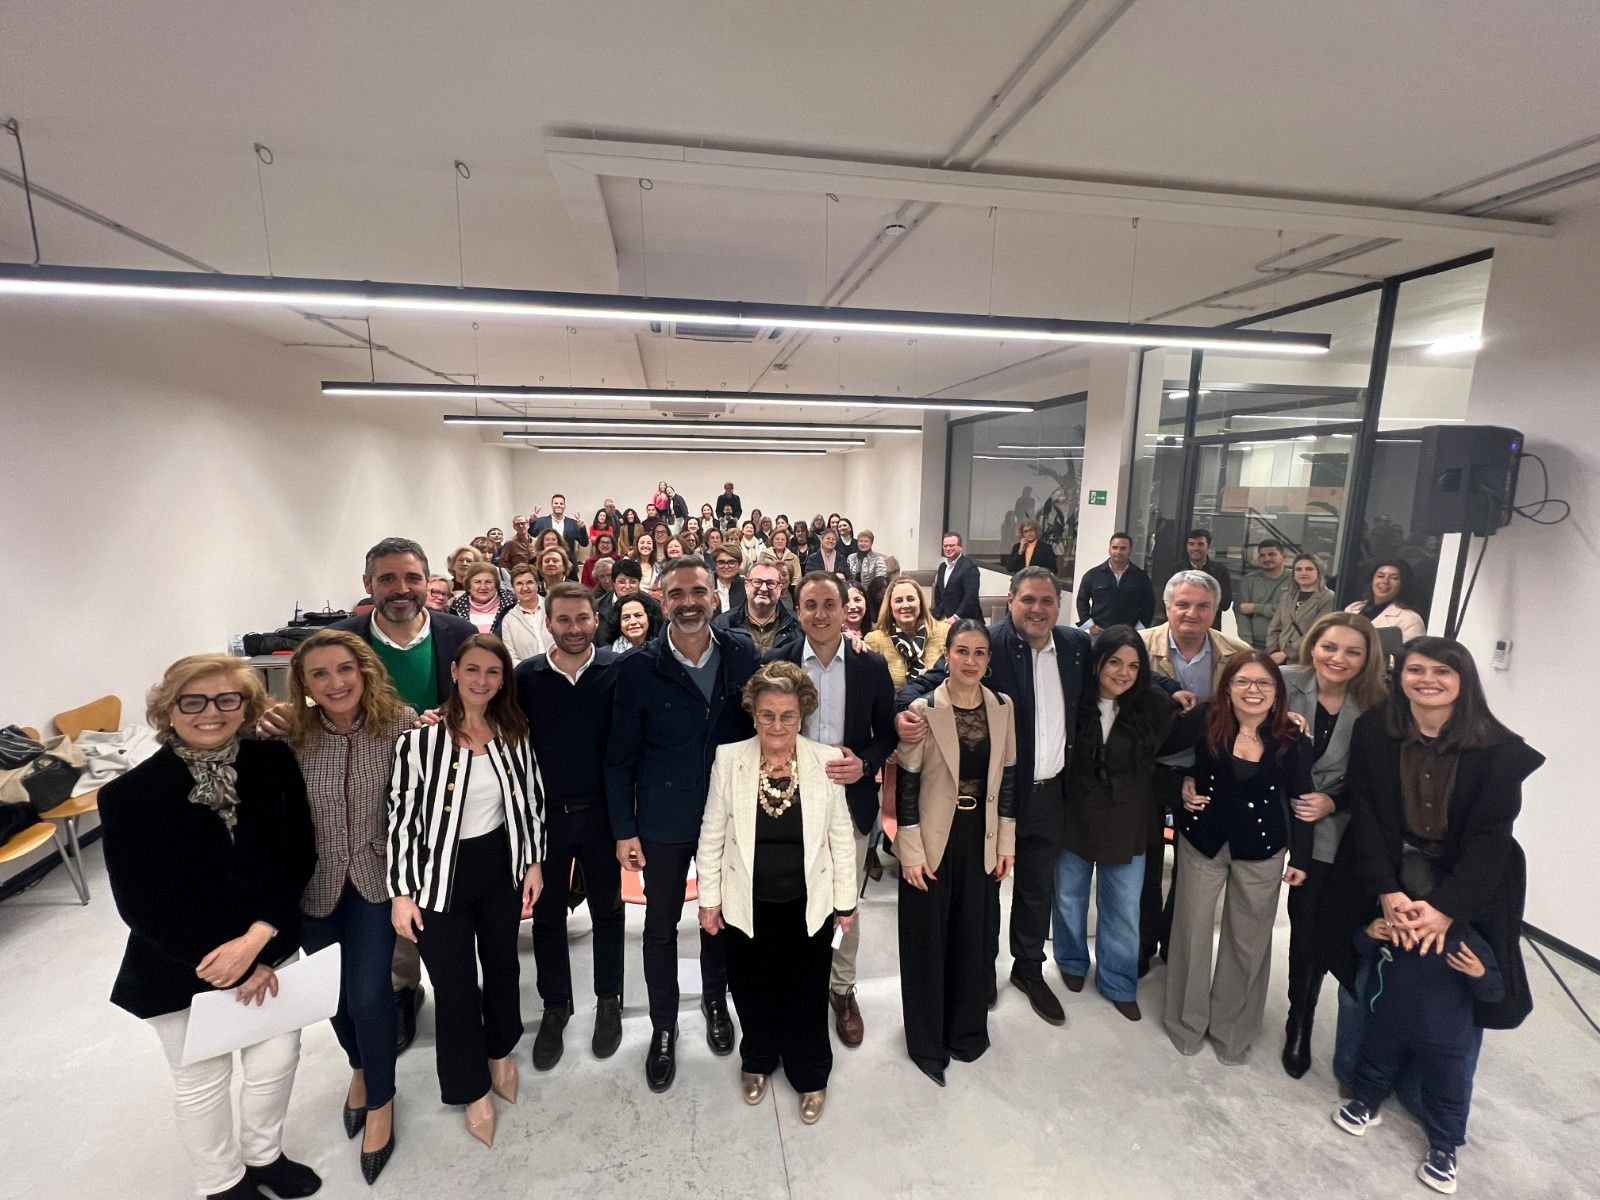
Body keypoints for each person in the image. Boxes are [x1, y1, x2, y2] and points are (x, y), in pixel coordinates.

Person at [1321, 638, 1543, 1184]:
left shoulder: (1496, 748)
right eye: (1415, 669)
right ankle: (1366, 1079)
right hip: (1388, 870)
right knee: (1371, 964)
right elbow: (1370, 815)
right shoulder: (1377, 730)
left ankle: (1439, 1107)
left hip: (1467, 883)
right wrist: (1386, 891)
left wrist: (1444, 910)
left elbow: (1491, 839)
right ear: (1400, 677)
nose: (1427, 680)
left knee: (1456, 986)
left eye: (1442, 671)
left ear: (1463, 680)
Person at [100, 655, 320, 1200]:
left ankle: (264, 1155)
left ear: (246, 706)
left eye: (228, 699)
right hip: (179, 964)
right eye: (193, 701)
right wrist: (222, 961)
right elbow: (140, 902)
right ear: (167, 709)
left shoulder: (273, 762)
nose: (211, 712)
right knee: (202, 1079)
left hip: (268, 945)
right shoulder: (128, 795)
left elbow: (297, 854)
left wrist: (257, 940)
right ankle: (222, 1182)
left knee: (276, 1060)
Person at [899, 567, 1091, 1027]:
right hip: (996, 791)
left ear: (1059, 605)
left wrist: (1172, 691)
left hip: (1050, 790)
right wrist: (900, 714)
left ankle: (1028, 968)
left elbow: (1123, 674)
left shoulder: (1076, 647)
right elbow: (927, 683)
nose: (1038, 609)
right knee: (986, 887)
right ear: (1010, 600)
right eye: (1028, 599)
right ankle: (980, 971)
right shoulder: (989, 644)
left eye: (1047, 600)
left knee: (1035, 887)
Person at [606, 556, 762, 1092]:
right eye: (677, 594)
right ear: (660, 598)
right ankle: (664, 1027)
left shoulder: (742, 651)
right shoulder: (637, 667)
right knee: (660, 926)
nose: (690, 601)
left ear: (715, 596)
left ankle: (717, 1002)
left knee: (718, 916)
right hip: (663, 817)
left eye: (699, 591)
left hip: (728, 815)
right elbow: (619, 757)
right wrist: (624, 829)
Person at [318, 537, 476, 1050]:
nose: (400, 589)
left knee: (452, 890)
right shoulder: (340, 640)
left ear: (428, 583)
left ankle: (459, 982)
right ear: (368, 586)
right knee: (392, 888)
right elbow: (314, 702)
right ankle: (404, 989)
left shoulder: (459, 633)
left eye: (411, 578)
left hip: (448, 787)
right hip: (370, 790)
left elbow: (483, 698)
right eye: (387, 579)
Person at [389, 634, 545, 1148]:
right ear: (454, 671)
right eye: (473, 670)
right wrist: (402, 892)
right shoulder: (419, 742)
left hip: (498, 867)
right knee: (454, 987)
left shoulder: (513, 731)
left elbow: (531, 803)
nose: (483, 681)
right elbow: (402, 820)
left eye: (494, 673)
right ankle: (469, 1086)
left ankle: (501, 1050)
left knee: (503, 966)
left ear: (504, 680)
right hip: (439, 878)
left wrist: (534, 863)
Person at [695, 661, 859, 1123]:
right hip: (746, 902)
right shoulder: (731, 759)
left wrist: (845, 903)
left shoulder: (825, 760)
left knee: (806, 991)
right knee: (750, 987)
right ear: (753, 715)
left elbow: (841, 837)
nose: (777, 725)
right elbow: (712, 832)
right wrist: (709, 900)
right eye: (767, 714)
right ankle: (759, 1056)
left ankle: (809, 1072)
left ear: (801, 715)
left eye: (787, 715)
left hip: (809, 903)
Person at [285, 631, 416, 1184]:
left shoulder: (401, 724)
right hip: (313, 887)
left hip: (375, 880)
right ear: (305, 684)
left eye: (345, 669)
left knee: (368, 994)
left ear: (364, 670)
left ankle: (382, 1101)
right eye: (320, 674)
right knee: (333, 998)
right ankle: (359, 1069)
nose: (335, 683)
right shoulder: (292, 735)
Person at [1165, 652, 1313, 1063]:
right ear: (1227, 687)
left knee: (1247, 943)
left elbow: (1301, 799)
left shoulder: (1291, 736)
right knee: (1191, 933)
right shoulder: (1204, 722)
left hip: (1263, 849)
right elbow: (1161, 759)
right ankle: (1186, 1022)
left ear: (1277, 692)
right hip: (1203, 841)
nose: (1253, 691)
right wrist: (1182, 784)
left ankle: (1233, 1029)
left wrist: (1301, 856)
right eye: (1243, 682)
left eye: (1264, 683)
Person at [769, 573, 896, 1048]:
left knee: (846, 903)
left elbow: (885, 732)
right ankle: (793, 984)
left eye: (829, 604)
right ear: (797, 610)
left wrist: (864, 764)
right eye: (810, 605)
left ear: (847, 610)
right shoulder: (777, 662)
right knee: (789, 898)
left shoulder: (870, 667)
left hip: (848, 803)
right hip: (788, 804)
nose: (819, 614)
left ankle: (841, 990)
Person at [894, 620, 1017, 1085]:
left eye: (979, 653)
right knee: (927, 939)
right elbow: (905, 783)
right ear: (946, 654)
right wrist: (909, 852)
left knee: (972, 935)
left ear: (989, 660)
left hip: (979, 835)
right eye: (961, 651)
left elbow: (1007, 780)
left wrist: (1006, 842)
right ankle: (927, 1042)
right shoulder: (923, 709)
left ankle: (966, 1031)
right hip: (931, 837)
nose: (970, 661)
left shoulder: (1003, 707)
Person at [1053, 628, 1191, 1022]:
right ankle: (1072, 960)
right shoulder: (1074, 698)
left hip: (1129, 818)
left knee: (1124, 908)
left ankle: (1117, 980)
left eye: (1133, 665)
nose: (1123, 672)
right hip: (1075, 813)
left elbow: (1199, 725)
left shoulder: (1153, 705)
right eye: (1115, 661)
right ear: (1097, 662)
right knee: (1068, 897)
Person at [517, 584, 626, 1071]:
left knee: (608, 912)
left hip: (603, 815)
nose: (575, 629)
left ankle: (609, 1000)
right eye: (564, 620)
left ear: (594, 619)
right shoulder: (527, 677)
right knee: (547, 918)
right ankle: (555, 1006)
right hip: (547, 817)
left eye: (583, 619)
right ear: (548, 622)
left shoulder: (617, 670)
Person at [1278, 612, 1387, 1078]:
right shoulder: (1282, 682)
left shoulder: (1378, 705)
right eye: (1330, 647)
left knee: (1311, 925)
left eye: (1352, 651)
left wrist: (1334, 800)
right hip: (1265, 808)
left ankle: (1298, 1020)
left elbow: (1378, 778)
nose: (1338, 658)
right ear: (1313, 647)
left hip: (1326, 824)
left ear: (1367, 660)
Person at [1331, 916, 1503, 1196]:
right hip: (1390, 1020)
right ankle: (1365, 1103)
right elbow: (1363, 949)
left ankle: (1444, 1150)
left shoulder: (1467, 939)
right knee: (1375, 1062)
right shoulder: (1397, 923)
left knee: (1447, 1092)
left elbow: (1495, 991)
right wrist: (1370, 934)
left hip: (1444, 1040)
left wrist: (1479, 973)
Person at [1137, 570, 1251, 974]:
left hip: (1206, 777)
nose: (1191, 613)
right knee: (1145, 864)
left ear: (1216, 610)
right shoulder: (1139, 647)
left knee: (1193, 868)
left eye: (1203, 606)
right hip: (1147, 773)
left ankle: (1175, 944)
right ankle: (1141, 946)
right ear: (1167, 607)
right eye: (1182, 604)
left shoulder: (1238, 654)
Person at [864, 578, 948, 691]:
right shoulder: (874, 640)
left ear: (920, 602)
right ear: (890, 606)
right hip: (895, 707)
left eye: (910, 599)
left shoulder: (946, 633)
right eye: (898, 600)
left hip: (939, 706)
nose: (905, 605)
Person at [714, 555, 803, 655]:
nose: (764, 588)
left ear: (779, 588)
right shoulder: (723, 625)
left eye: (770, 583)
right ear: (746, 586)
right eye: (757, 582)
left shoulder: (798, 626)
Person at [1075, 531, 1156, 632]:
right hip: (1099, 633)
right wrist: (1090, 626)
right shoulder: (1093, 575)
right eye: (1115, 547)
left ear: (1130, 551)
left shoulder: (1141, 577)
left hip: (1128, 634)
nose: (1118, 552)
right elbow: (1081, 602)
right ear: (1109, 550)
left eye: (1123, 548)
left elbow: (1149, 606)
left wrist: (1138, 630)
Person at [1267, 553, 1337, 664]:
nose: (1303, 573)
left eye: (1309, 569)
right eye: (1298, 569)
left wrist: (1286, 653)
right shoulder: (1286, 597)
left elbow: (1317, 631)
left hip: (1304, 659)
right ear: (1294, 574)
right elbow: (1274, 628)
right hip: (1277, 659)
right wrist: (1273, 651)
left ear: (1319, 572)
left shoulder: (1328, 597)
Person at [1345, 559, 1427, 644]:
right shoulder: (1352, 609)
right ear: (1372, 579)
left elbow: (1413, 655)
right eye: (1380, 576)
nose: (1385, 581)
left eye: (1394, 578)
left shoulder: (1410, 619)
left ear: (1403, 584)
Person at [1235, 540, 1291, 651]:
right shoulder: (1248, 580)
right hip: (1254, 645)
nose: (1266, 559)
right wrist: (1247, 644)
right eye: (1262, 555)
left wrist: (1256, 608)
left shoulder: (1295, 580)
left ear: (1284, 556)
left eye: (1272, 554)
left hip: (1284, 647)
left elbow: (1290, 613)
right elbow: (1241, 612)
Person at [494, 564, 555, 666]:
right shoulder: (509, 619)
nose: (525, 588)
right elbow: (511, 655)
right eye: (519, 584)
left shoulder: (553, 609)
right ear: (513, 588)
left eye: (529, 582)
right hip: (527, 676)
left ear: (538, 584)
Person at [1179, 528, 1233, 630]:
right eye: (1191, 544)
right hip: (1183, 627)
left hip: (1210, 628)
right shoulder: (1177, 570)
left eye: (1200, 544)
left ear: (1208, 547)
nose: (1195, 548)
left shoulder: (1220, 571)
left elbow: (1225, 603)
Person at [451, 562, 516, 635]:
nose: (483, 587)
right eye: (477, 582)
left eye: (488, 582)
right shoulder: (455, 608)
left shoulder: (512, 607)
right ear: (469, 586)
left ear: (496, 585)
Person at [931, 532, 982, 622]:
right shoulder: (942, 567)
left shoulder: (969, 567)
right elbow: (939, 594)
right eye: (945, 546)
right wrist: (937, 614)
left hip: (965, 621)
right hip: (944, 617)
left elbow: (971, 596)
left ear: (960, 547)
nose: (948, 549)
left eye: (951, 546)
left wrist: (956, 616)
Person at [530, 493, 590, 558]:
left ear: (564, 506)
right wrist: (532, 522)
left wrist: (582, 528)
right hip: (547, 560)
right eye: (556, 503)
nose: (558, 505)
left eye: (561, 504)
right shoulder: (541, 521)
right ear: (552, 505)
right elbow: (532, 533)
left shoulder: (573, 524)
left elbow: (584, 543)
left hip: (569, 563)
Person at [710, 546, 747, 614]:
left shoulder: (746, 586)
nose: (726, 567)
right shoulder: (707, 585)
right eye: (721, 562)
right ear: (715, 564)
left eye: (731, 562)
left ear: (739, 564)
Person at [768, 528, 803, 595]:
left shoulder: (794, 558)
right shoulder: (764, 555)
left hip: (788, 592)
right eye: (777, 539)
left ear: (786, 542)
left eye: (783, 539)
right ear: (772, 541)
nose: (780, 541)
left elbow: (797, 579)